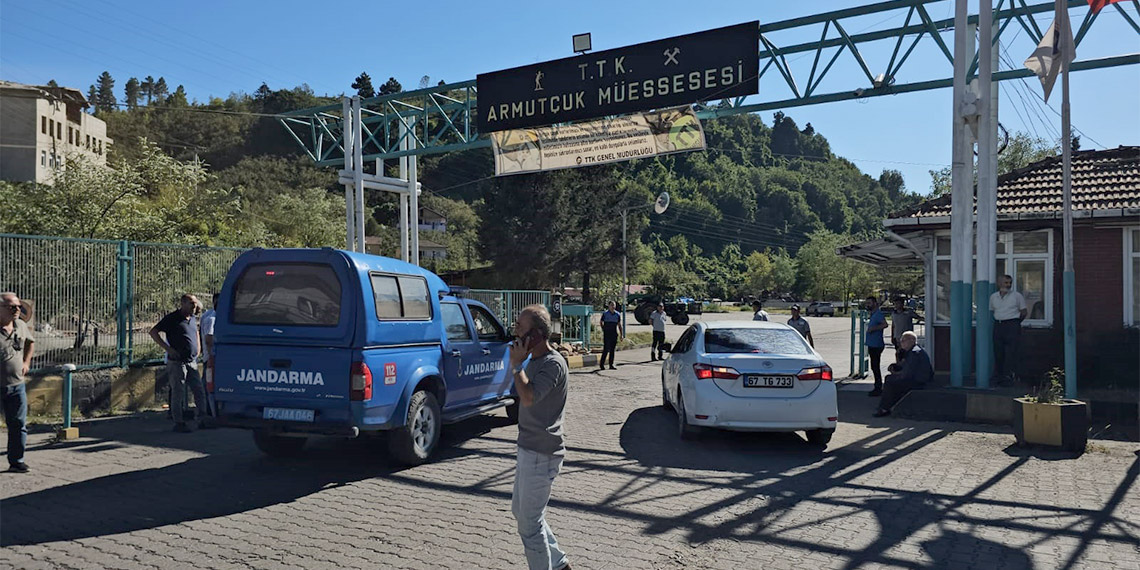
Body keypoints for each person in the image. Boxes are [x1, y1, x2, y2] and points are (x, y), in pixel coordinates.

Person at [508, 304, 572, 570]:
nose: (515, 332)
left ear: (535, 335)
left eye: (520, 328)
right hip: (528, 449)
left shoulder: (552, 364)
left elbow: (529, 397)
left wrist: (515, 366)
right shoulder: (533, 362)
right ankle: (559, 564)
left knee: (530, 525)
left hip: (542, 454)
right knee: (521, 513)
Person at [150, 294, 206, 432]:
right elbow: (154, 332)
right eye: (191, 303)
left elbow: (196, 333)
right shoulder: (172, 318)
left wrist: (198, 347)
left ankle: (203, 418)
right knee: (178, 392)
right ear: (183, 303)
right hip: (177, 362)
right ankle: (179, 422)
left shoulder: (192, 318)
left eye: (195, 304)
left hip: (191, 361)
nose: (195, 306)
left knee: (198, 390)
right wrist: (168, 349)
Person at [1, 292, 35, 473]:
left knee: (18, 425)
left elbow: (30, 343)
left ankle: (17, 461)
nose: (17, 310)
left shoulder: (20, 325)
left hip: (16, 386)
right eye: (11, 307)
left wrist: (26, 362)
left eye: (18, 306)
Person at [872, 331, 933, 417]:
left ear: (911, 340)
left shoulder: (915, 353)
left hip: (919, 381)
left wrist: (896, 374)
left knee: (890, 381)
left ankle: (884, 408)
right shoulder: (912, 351)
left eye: (903, 341)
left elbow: (907, 373)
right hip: (916, 378)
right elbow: (905, 367)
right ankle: (887, 406)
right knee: (891, 379)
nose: (901, 343)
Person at [990, 274, 1027, 385]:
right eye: (1006, 282)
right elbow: (992, 311)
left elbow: (1024, 312)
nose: (1008, 285)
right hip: (999, 325)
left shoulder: (1017, 296)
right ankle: (999, 376)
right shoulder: (993, 297)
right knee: (998, 351)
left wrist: (1016, 323)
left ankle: (1010, 376)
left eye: (1010, 283)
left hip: (1012, 324)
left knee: (1012, 352)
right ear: (999, 283)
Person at [198, 293, 219, 420]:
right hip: (211, 358)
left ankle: (209, 411)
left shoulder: (208, 315)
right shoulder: (212, 318)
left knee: (207, 383)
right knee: (208, 385)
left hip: (210, 357)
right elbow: (209, 339)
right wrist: (211, 356)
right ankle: (208, 413)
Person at [864, 296, 888, 397]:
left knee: (875, 366)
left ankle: (878, 388)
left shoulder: (878, 314)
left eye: (869, 303)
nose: (867, 305)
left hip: (876, 344)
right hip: (872, 344)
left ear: (875, 303)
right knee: (874, 367)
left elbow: (885, 324)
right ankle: (877, 386)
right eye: (867, 303)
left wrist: (874, 328)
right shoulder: (873, 314)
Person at [598, 301, 621, 370]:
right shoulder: (605, 314)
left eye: (614, 305)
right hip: (607, 333)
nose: (613, 307)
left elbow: (619, 325)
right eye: (611, 305)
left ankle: (611, 364)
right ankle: (602, 364)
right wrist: (603, 329)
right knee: (606, 349)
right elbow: (601, 322)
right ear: (609, 306)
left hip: (614, 333)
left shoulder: (617, 314)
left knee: (612, 350)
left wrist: (621, 334)